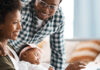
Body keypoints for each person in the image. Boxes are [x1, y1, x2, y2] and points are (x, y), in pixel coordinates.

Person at [7, 0, 66, 70]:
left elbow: (58, 52)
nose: (46, 10)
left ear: (58, 5)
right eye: (42, 3)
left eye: (52, 7)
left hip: (27, 59)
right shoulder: (21, 6)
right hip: (8, 50)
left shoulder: (59, 18)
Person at [0, 0, 21, 69]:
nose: (20, 27)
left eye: (20, 21)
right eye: (15, 22)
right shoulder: (1, 54)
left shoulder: (9, 47)